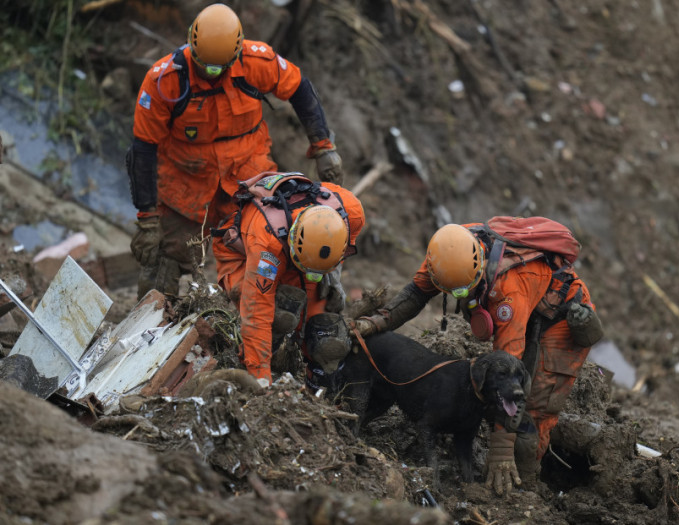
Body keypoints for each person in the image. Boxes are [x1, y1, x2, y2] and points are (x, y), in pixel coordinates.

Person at [354, 219, 604, 494]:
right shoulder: (447, 253)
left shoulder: (510, 286)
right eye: (453, 292)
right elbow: (414, 295)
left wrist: (501, 451)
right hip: (526, 302)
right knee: (493, 396)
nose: (461, 296)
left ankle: (526, 488)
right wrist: (374, 324)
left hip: (560, 318)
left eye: (464, 290)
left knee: (531, 407)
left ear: (479, 267)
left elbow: (509, 364)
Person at [126, 3, 345, 299]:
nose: (210, 73)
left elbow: (300, 90)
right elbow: (142, 149)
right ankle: (148, 329)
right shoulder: (164, 81)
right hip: (185, 184)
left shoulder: (257, 62)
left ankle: (269, 317)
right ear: (192, 44)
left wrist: (323, 147)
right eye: (204, 65)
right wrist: (147, 218)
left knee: (265, 249)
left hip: (249, 179)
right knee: (164, 259)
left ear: (236, 53)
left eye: (219, 68)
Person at [212, 171, 365, 388]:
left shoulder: (352, 213)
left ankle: (322, 392)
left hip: (305, 260)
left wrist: (332, 277)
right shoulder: (267, 247)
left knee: (326, 338)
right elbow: (257, 315)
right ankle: (258, 363)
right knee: (280, 314)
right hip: (243, 255)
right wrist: (260, 381)